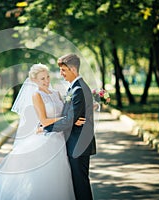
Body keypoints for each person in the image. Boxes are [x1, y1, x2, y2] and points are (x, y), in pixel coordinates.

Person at [0, 63, 85, 200]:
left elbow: (67, 111)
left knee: (59, 176)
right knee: (43, 178)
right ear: (34, 81)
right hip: (46, 139)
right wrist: (70, 119)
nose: (46, 81)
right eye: (42, 79)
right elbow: (45, 120)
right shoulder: (37, 95)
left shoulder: (57, 93)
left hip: (60, 139)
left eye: (47, 77)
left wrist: (87, 106)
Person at [44, 53, 96, 200]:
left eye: (64, 70)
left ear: (73, 69)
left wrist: (46, 128)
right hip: (74, 142)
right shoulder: (73, 88)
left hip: (78, 144)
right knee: (78, 184)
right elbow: (69, 116)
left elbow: (69, 120)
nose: (61, 74)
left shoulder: (78, 89)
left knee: (81, 184)